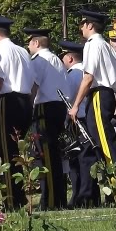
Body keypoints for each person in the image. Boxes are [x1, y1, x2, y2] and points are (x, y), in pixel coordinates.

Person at [67, 10, 116, 192]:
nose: (81, 27)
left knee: (104, 142)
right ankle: (115, 185)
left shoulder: (93, 44)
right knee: (104, 140)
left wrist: (75, 105)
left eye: (82, 24)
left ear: (89, 25)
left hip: (99, 95)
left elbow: (88, 77)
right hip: (108, 96)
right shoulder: (108, 47)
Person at [0, 14, 34, 210]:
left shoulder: (0, 52)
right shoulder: (22, 51)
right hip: (25, 100)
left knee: (6, 152)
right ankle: (20, 195)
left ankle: (11, 200)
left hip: (8, 100)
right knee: (19, 152)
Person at [24, 27, 69, 210]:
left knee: (45, 156)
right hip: (59, 106)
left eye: (29, 43)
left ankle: (50, 201)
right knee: (55, 157)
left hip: (45, 108)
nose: (28, 47)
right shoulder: (57, 59)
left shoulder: (38, 60)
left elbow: (33, 86)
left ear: (35, 43)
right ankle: (59, 198)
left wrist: (27, 110)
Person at [60, 40, 97, 208]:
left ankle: (82, 196)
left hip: (77, 121)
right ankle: (91, 196)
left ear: (69, 58)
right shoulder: (85, 72)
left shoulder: (72, 75)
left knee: (79, 161)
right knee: (87, 160)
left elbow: (66, 99)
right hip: (87, 118)